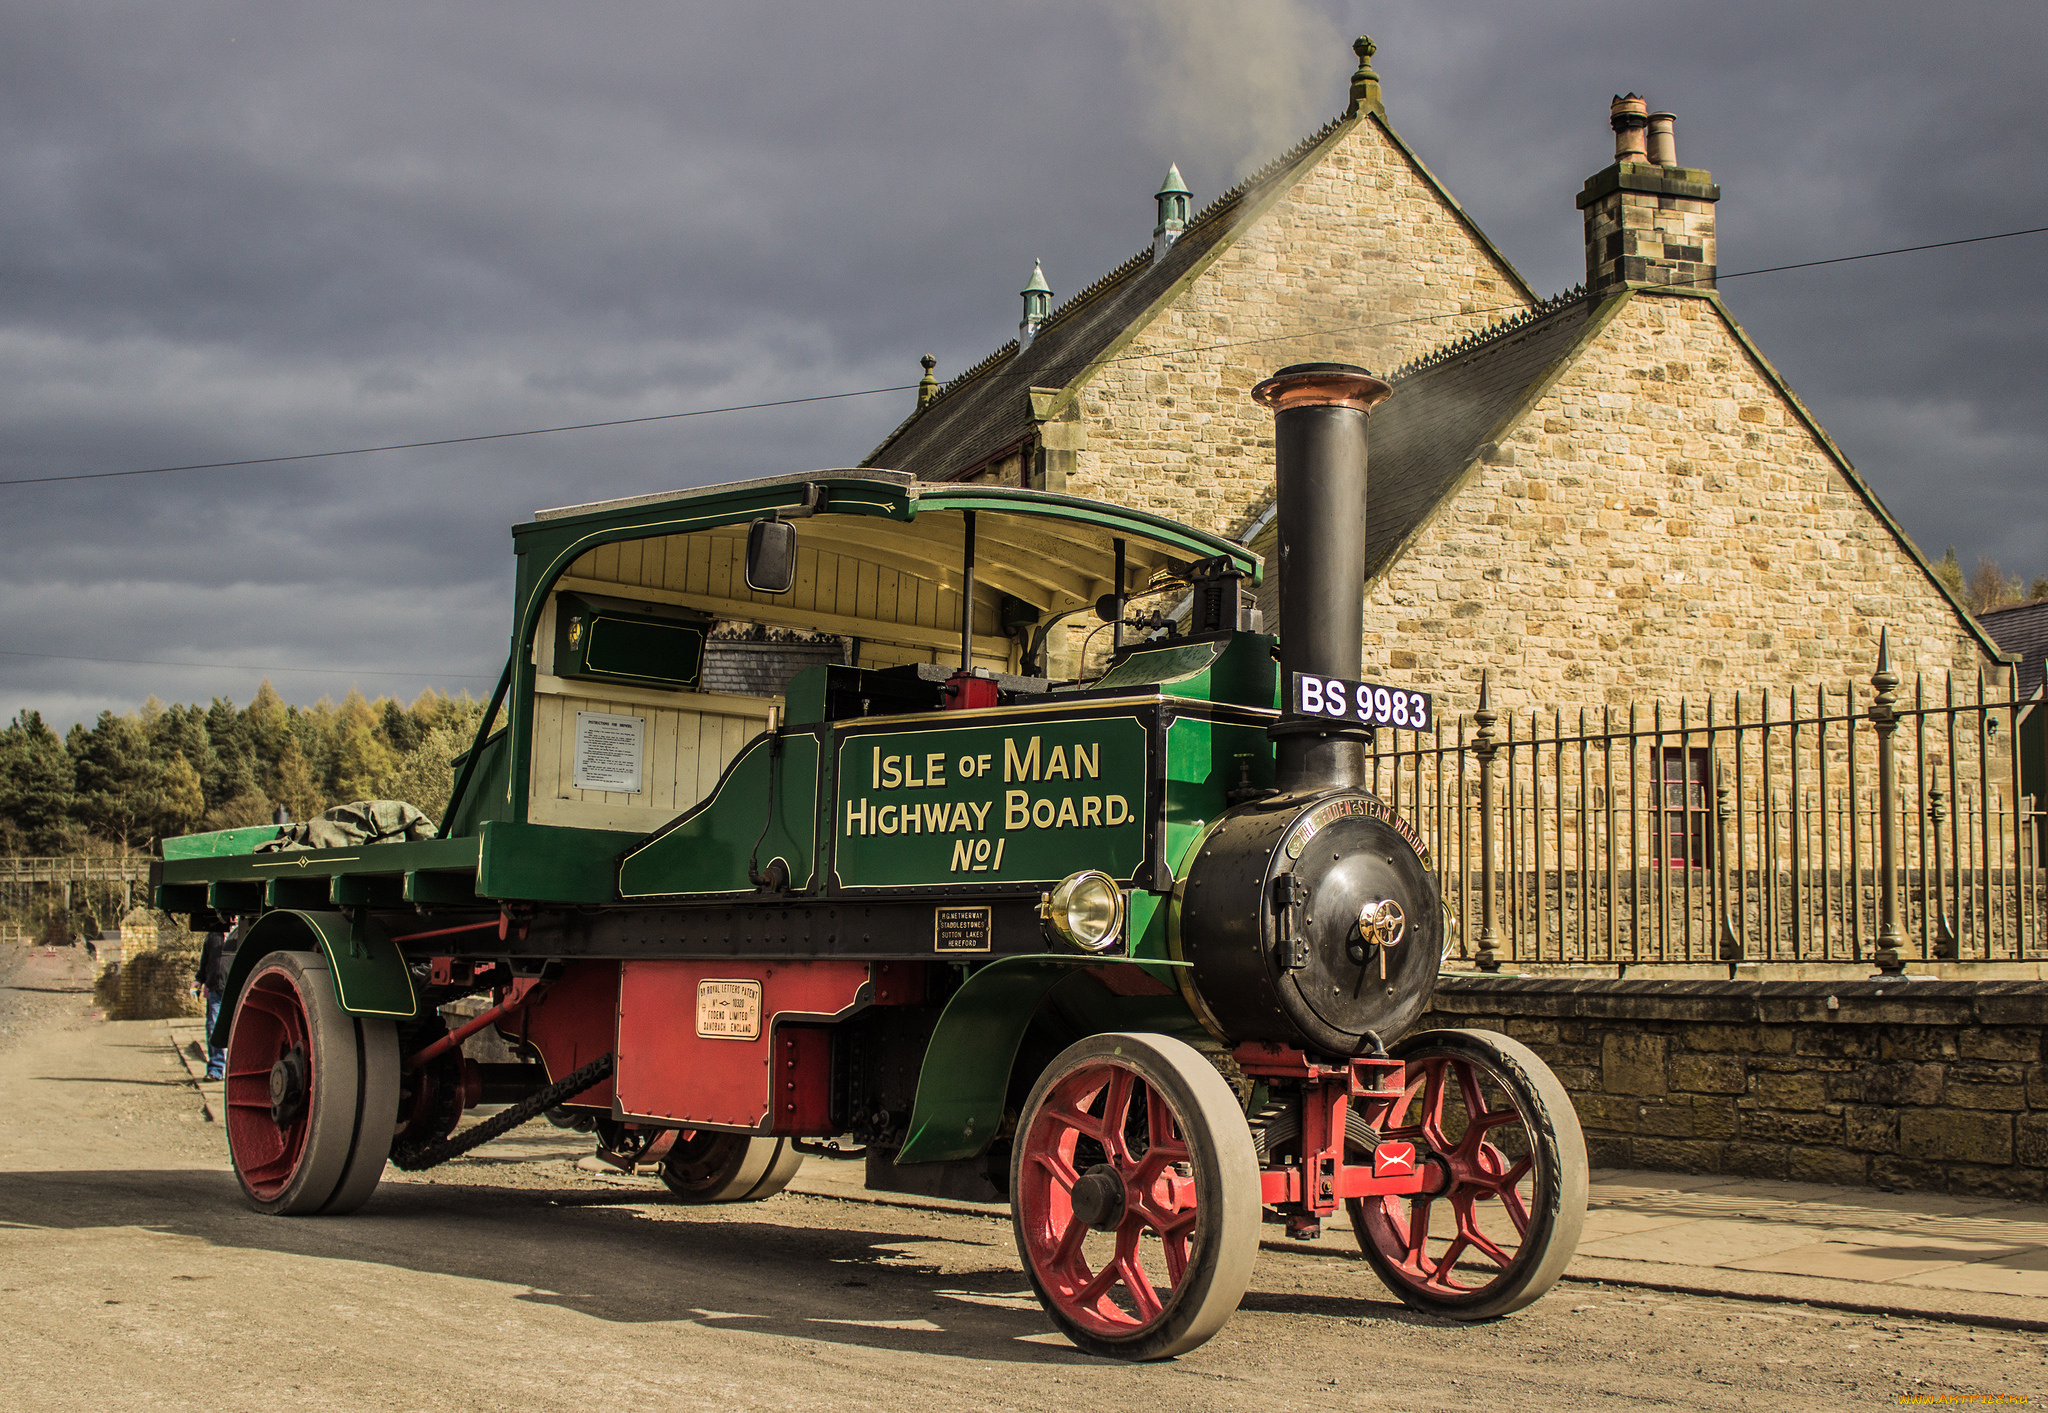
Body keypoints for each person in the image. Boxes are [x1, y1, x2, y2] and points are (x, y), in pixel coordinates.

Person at [195, 921, 232, 1081]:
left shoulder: (240, 934)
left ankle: (234, 1071)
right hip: (215, 988)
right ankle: (216, 1070)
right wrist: (199, 979)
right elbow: (206, 960)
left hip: (234, 989)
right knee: (213, 1028)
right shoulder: (213, 935)